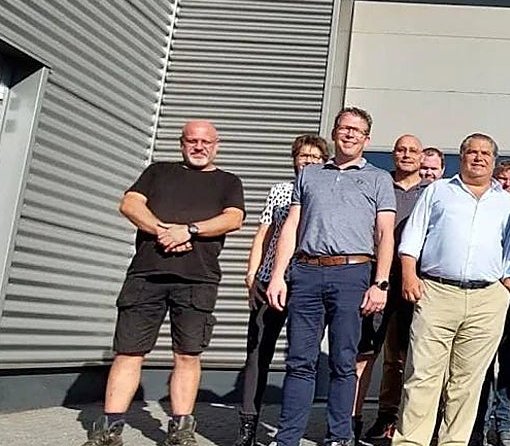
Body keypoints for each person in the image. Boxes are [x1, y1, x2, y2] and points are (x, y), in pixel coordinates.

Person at [83, 121, 245, 446]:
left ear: (217, 145)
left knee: (187, 354)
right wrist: (163, 231)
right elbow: (129, 204)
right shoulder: (157, 172)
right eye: (192, 141)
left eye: (206, 142)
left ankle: (181, 431)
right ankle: (109, 431)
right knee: (128, 353)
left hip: (197, 280)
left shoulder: (228, 182)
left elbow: (234, 218)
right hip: (146, 276)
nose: (199, 147)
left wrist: (190, 231)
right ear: (181, 143)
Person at [266, 107, 397, 446]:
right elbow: (291, 227)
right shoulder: (309, 175)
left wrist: (380, 283)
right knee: (299, 361)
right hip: (306, 273)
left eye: (357, 130)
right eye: (344, 128)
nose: (349, 134)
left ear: (366, 139)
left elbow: (385, 234)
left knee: (343, 360)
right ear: (335, 132)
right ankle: (288, 437)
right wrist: (278, 276)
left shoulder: (379, 179)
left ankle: (339, 436)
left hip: (352, 274)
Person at [394, 133, 510, 446]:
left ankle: (454, 442)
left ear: (493, 160)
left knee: (467, 382)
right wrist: (409, 275)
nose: (478, 158)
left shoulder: (505, 202)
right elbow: (412, 238)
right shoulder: (438, 191)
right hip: (436, 293)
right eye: (471, 152)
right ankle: (411, 441)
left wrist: (506, 288)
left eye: (485, 153)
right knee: (422, 376)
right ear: (461, 157)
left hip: (487, 299)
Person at [233, 134, 329, 446]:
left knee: (301, 357)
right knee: (258, 353)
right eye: (304, 156)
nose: (309, 161)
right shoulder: (280, 191)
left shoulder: (328, 193)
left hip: (307, 283)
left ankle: (291, 429)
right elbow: (265, 234)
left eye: (315, 157)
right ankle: (248, 424)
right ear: (294, 158)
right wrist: (252, 274)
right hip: (269, 279)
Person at [359, 134, 429, 443]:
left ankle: (412, 420)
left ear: (422, 157)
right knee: (377, 352)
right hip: (380, 278)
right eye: (401, 149)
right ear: (393, 154)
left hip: (417, 280)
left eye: (413, 151)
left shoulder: (431, 192)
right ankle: (384, 416)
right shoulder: (379, 184)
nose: (407, 155)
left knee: (414, 354)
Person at [471, 161, 510, 446]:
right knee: (482, 365)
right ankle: (478, 425)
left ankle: (504, 423)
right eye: (501, 178)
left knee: (509, 363)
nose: (506, 183)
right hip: (487, 295)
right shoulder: (489, 208)